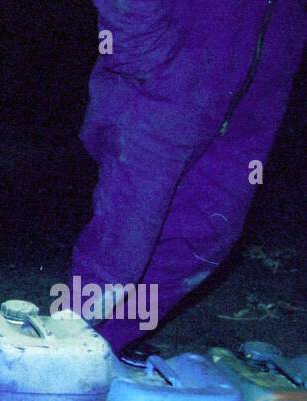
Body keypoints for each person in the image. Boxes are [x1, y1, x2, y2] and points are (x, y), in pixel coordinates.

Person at [70, 0, 306, 353]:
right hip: (169, 81)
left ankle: (103, 350)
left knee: (202, 240)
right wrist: (146, 56)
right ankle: (55, 367)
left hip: (256, 95)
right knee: (119, 253)